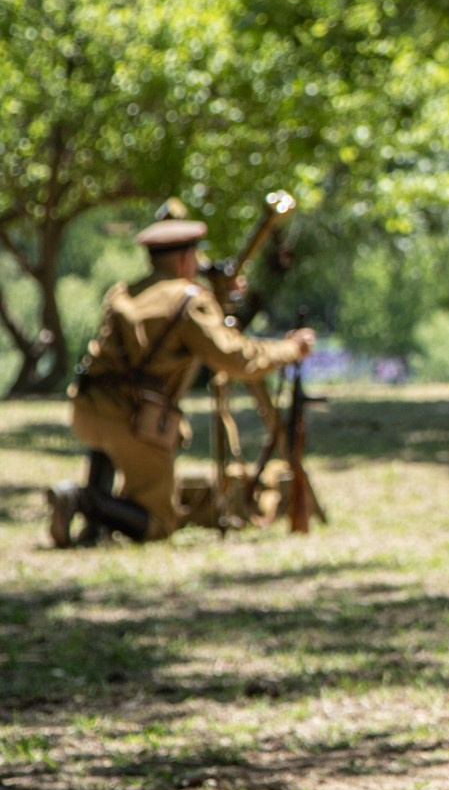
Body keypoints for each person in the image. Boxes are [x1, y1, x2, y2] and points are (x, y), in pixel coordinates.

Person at [47, 215, 315, 548]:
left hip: (87, 408)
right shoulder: (189, 301)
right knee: (159, 521)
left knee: (117, 456)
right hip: (133, 419)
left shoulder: (124, 293)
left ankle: (93, 525)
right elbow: (237, 358)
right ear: (187, 259)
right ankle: (80, 500)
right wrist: (291, 348)